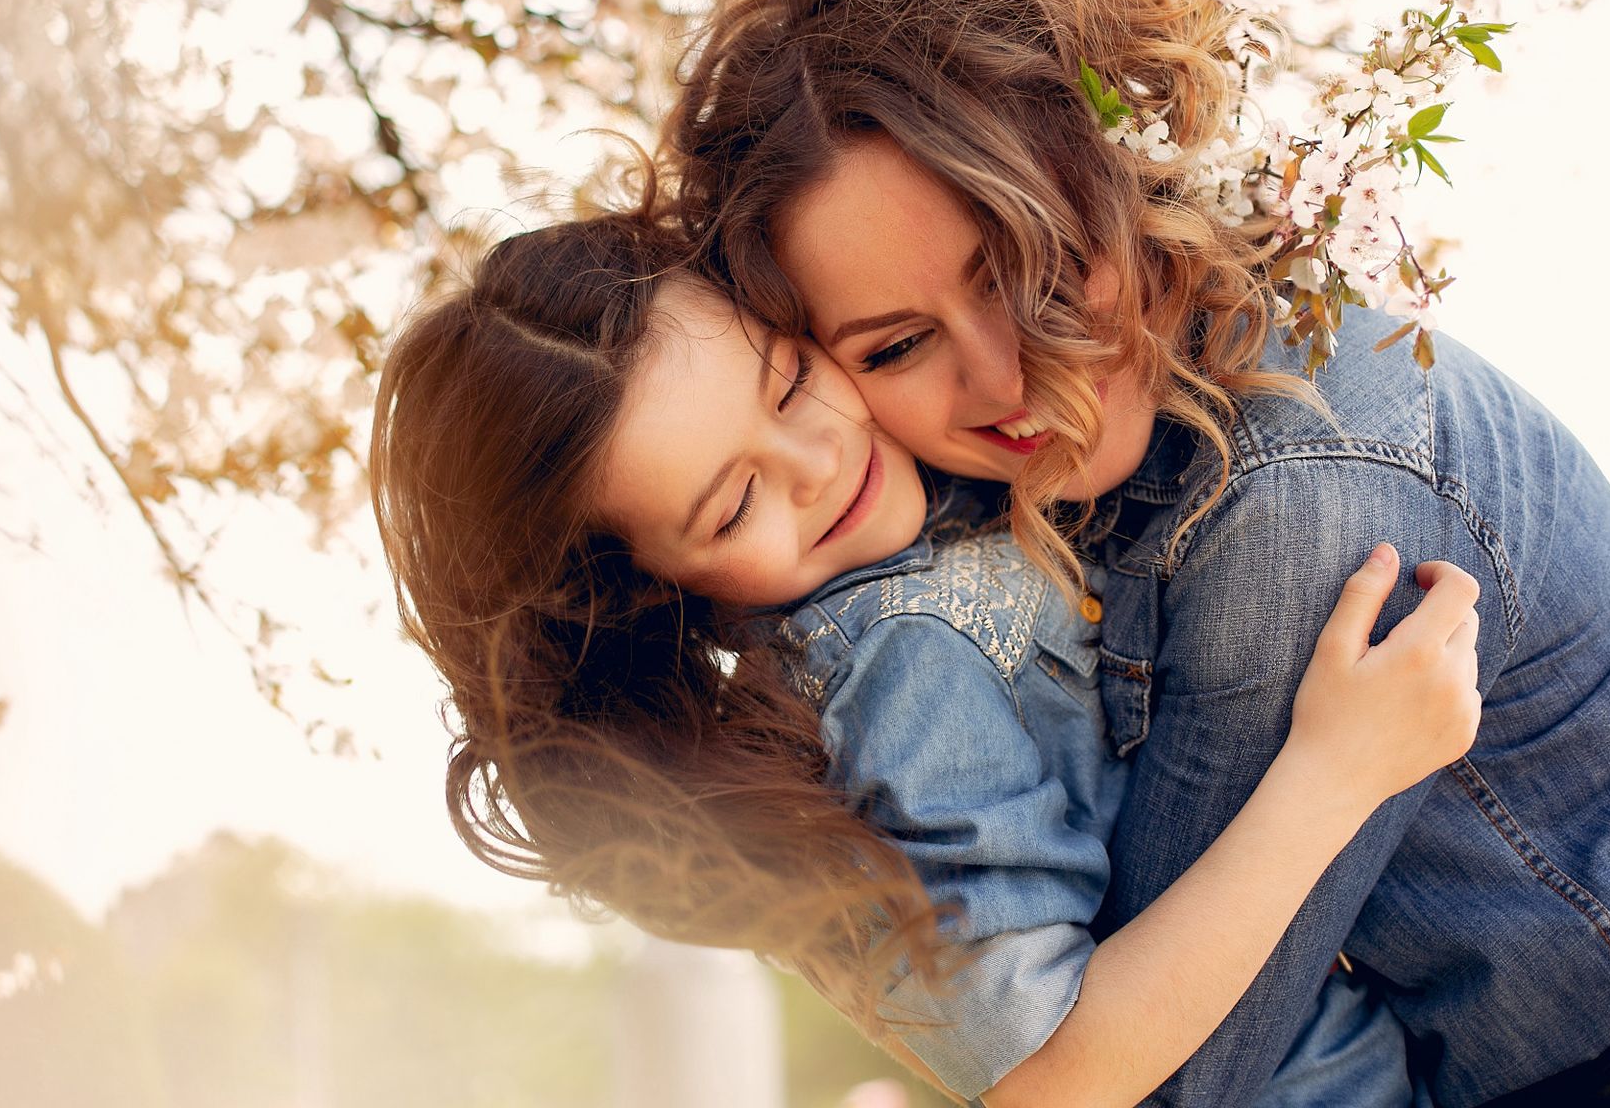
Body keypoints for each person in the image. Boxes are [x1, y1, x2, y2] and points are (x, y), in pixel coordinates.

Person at [667, 0, 1610, 1105]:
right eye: (897, 343)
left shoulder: (1290, 500)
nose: (1005, 377)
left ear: (1121, 178)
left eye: (1030, 267)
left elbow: (1172, 1078)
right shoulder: (1089, 461)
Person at [369, 195, 1482, 1106]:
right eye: (732, 503)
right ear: (654, 595)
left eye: (791, 381)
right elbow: (1052, 1081)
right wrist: (1335, 775)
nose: (813, 459)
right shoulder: (902, 662)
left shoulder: (928, 521)